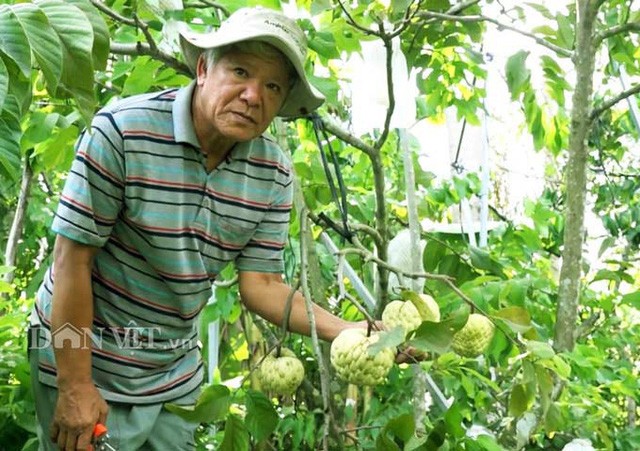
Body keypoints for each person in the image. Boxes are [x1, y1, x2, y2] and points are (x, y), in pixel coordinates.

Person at [28, 7, 373, 450]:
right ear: (204, 68)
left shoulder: (273, 174)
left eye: (272, 86)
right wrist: (75, 384)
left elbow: (262, 286)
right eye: (241, 72)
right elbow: (72, 260)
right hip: (85, 358)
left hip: (171, 373)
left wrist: (350, 331)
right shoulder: (122, 131)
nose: (253, 95)